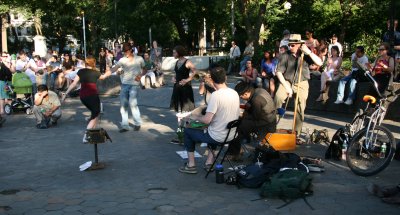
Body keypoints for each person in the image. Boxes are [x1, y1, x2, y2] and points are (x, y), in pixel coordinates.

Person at [178, 67, 240, 174]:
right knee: (212, 128)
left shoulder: (216, 95)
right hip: (232, 135)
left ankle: (191, 165)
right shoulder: (234, 92)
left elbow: (206, 120)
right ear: (225, 78)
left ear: (212, 79)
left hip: (219, 136)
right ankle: (209, 162)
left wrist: (193, 117)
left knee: (188, 131)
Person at [274, 34, 322, 142]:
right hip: (286, 80)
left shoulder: (305, 54)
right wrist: (287, 87)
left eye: (293, 45)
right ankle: (271, 126)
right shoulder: (284, 55)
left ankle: (296, 134)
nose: (290, 47)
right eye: (289, 45)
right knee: (278, 97)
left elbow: (319, 62)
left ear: (299, 45)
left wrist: (309, 52)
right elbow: (279, 72)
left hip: (302, 82)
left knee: (300, 106)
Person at [62, 56, 111, 142]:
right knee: (96, 114)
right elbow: (103, 77)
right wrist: (109, 71)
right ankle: (86, 135)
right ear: (94, 63)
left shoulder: (81, 71)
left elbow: (73, 84)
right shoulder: (96, 72)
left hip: (83, 96)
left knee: (95, 113)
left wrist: (66, 93)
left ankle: (92, 131)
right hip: (92, 95)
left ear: (86, 63)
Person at [232, 81, 276, 156]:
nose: (241, 98)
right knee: (243, 120)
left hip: (266, 124)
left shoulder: (256, 99)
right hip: (269, 118)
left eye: (241, 97)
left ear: (246, 93)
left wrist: (241, 116)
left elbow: (255, 117)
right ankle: (245, 138)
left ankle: (235, 152)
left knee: (238, 125)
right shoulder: (259, 90)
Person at [111, 42, 146, 132]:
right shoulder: (122, 59)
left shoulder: (139, 59)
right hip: (125, 84)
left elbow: (145, 68)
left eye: (126, 51)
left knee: (132, 103)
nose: (125, 53)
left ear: (131, 50)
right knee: (123, 105)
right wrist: (109, 72)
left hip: (134, 84)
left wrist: (141, 75)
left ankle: (137, 123)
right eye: (124, 51)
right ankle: (125, 126)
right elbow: (116, 68)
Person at [170, 45, 197, 113]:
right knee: (178, 105)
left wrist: (187, 80)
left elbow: (195, 72)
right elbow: (176, 73)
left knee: (186, 106)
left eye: (174, 52)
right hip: (177, 86)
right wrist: (173, 77)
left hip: (185, 87)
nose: (173, 54)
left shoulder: (187, 62)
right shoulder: (177, 62)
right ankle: (180, 122)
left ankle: (187, 122)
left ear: (179, 52)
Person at [0, 54, 13, 125]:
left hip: (9, 80)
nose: (5, 57)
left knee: (10, 95)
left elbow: (13, 71)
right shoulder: (1, 63)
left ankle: (9, 108)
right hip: (2, 81)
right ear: (1, 57)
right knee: (2, 96)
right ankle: (2, 110)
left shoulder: (10, 63)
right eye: (4, 56)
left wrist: (10, 63)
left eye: (6, 56)